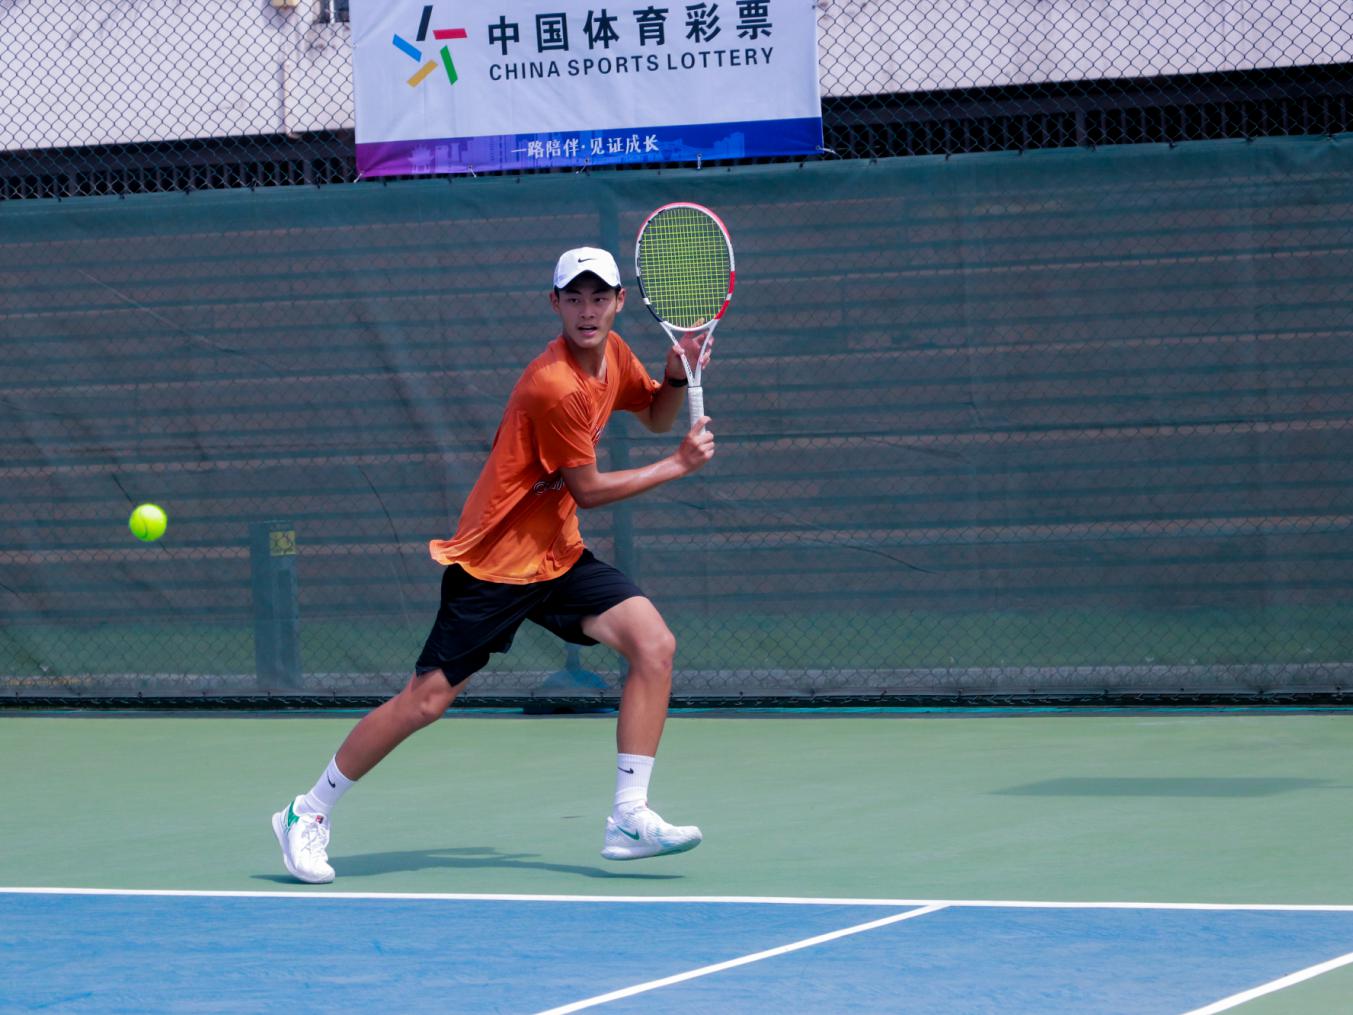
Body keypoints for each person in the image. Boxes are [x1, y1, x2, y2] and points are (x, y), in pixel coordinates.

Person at [272, 246, 715, 884]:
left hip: (557, 556)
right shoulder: (553, 384)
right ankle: (307, 811)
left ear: (620, 302)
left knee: (654, 645)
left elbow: (652, 415)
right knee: (425, 702)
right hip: (495, 567)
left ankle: (628, 816)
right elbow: (589, 489)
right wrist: (678, 465)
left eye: (599, 297)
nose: (587, 311)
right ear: (554, 303)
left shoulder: (614, 354)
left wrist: (674, 376)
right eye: (574, 298)